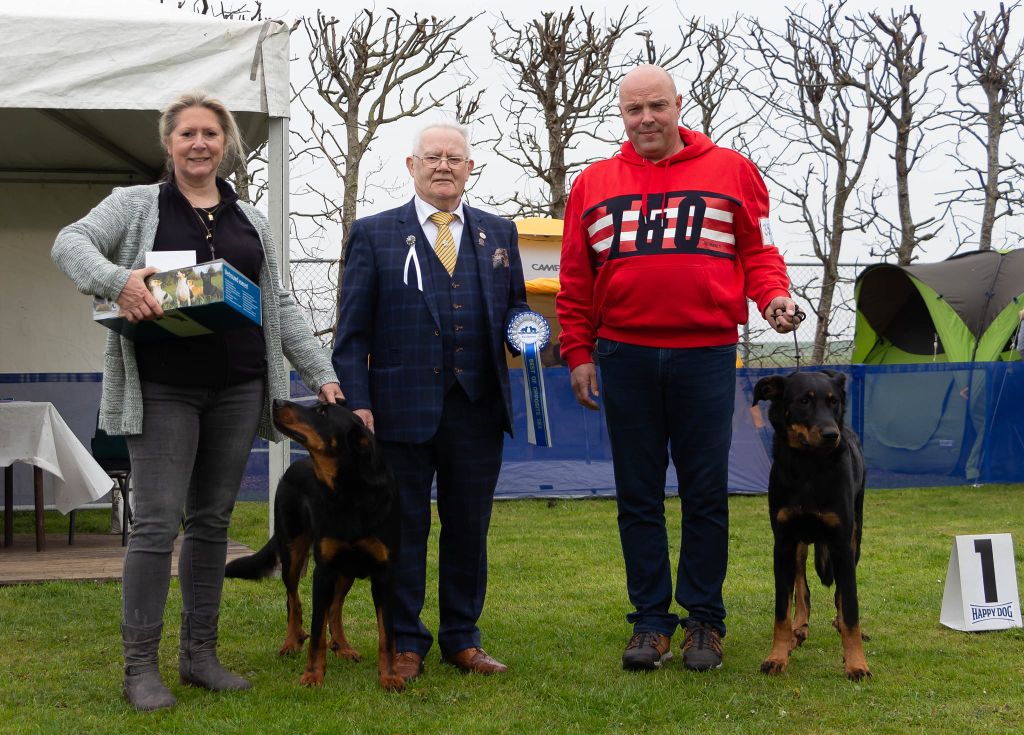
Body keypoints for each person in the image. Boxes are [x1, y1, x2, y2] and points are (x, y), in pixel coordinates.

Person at [52, 92, 343, 711]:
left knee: (211, 523)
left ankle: (200, 655)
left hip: (239, 389)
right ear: (170, 144)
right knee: (157, 524)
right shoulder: (135, 204)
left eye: (211, 133)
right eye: (187, 134)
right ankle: (140, 669)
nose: (200, 144)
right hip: (162, 388)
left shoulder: (251, 219)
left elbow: (280, 304)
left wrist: (321, 374)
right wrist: (118, 280)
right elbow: (69, 244)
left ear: (226, 144)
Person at [556, 65, 800, 673]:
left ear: (677, 104)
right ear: (621, 114)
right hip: (623, 355)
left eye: (656, 107)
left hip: (707, 354)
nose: (645, 119)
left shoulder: (732, 169)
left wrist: (772, 297)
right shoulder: (592, 183)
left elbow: (758, 251)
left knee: (704, 493)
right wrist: (579, 352)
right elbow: (575, 280)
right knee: (638, 495)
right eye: (633, 109)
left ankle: (704, 622)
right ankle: (649, 622)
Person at [332, 121, 528, 682]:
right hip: (398, 413)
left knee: (470, 529)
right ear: (411, 166)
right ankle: (406, 641)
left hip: (478, 409)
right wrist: (359, 404)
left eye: (455, 157)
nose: (444, 165)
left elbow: (512, 309)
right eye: (433, 157)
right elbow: (352, 335)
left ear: (471, 167)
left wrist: (527, 332)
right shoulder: (373, 233)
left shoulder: (500, 234)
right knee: (405, 531)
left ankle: (463, 638)